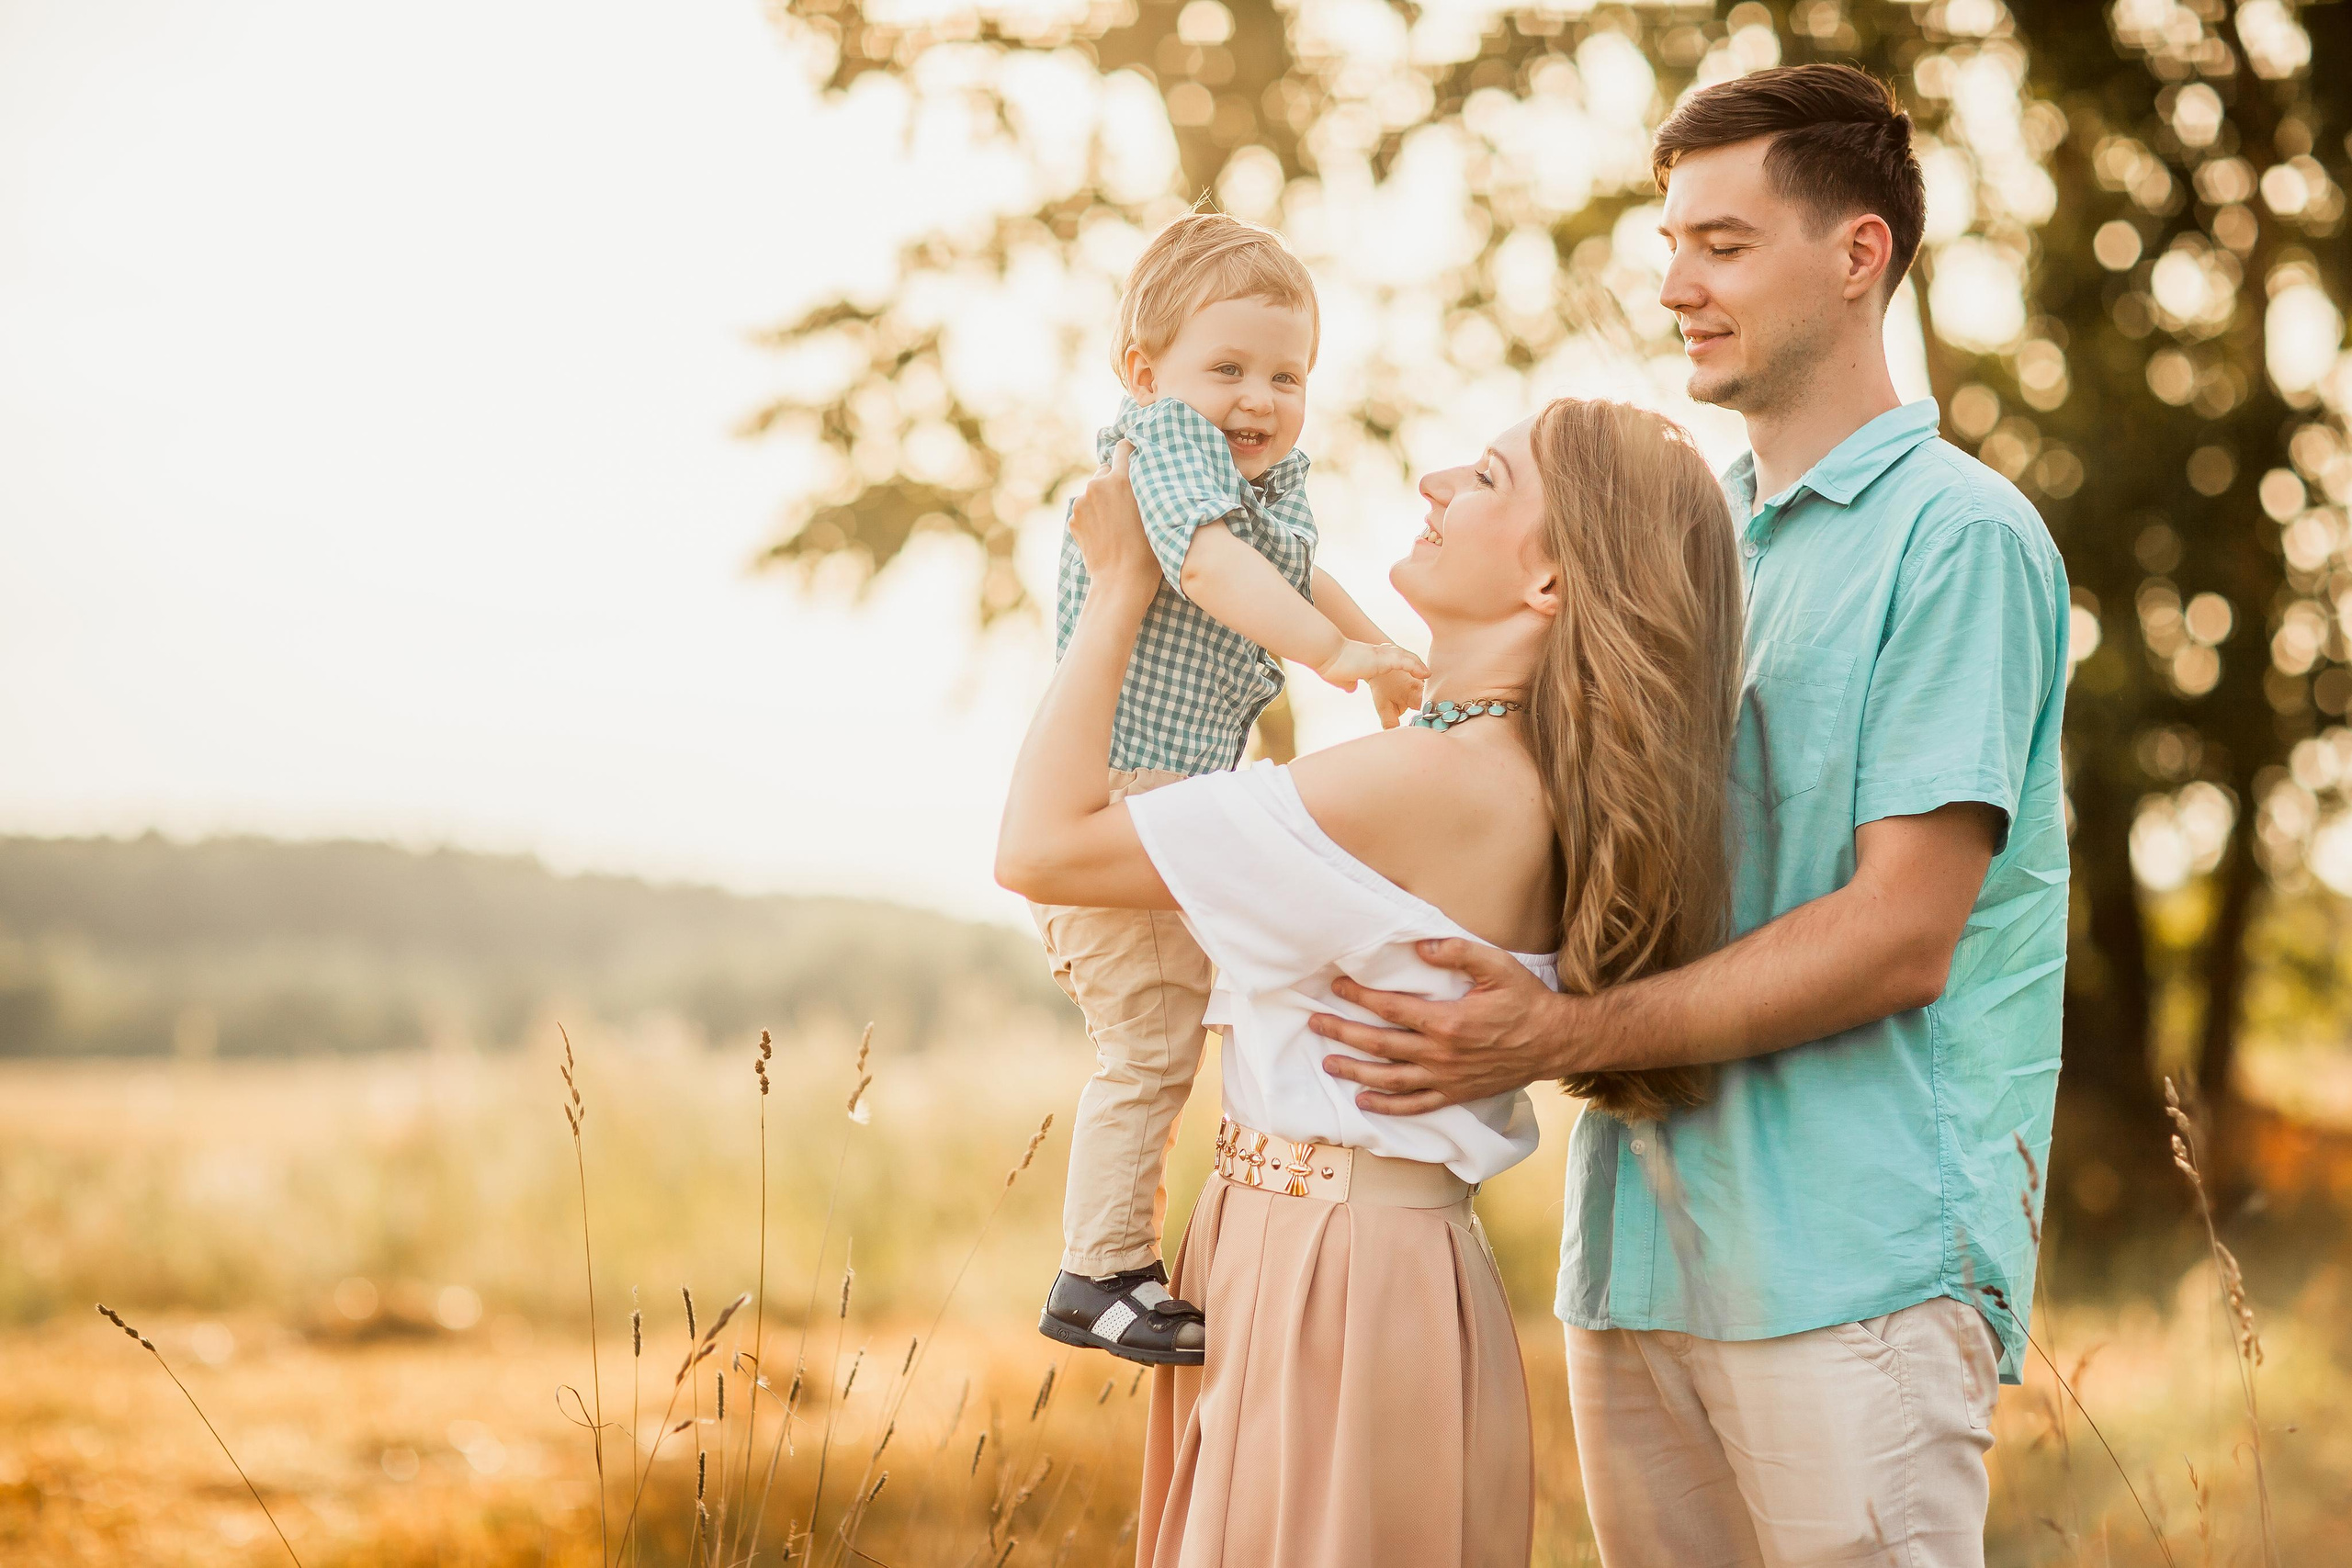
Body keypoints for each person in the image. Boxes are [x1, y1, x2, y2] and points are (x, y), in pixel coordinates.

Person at [1311, 64, 2072, 1568]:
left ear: (1858, 257)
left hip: (1851, 1275)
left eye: (1721, 245)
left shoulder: (1960, 539)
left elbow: (1897, 935)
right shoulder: (1696, 541)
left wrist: (1546, 1041)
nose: (1675, 285)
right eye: (1671, 245)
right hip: (1640, 1265)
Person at [997, 395, 1743, 1567]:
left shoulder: (1419, 784)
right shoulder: (1497, 769)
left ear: (1548, 584)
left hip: (1331, 1275)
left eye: (1487, 479)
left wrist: (1122, 586)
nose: (1435, 482)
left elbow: (1037, 848)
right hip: (1318, 1253)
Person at [1026, 212, 1428, 1368]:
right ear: (1147, 375)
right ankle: (1098, 1272)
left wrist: (1384, 655)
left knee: (1190, 1027)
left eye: (1286, 374)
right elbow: (1209, 567)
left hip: (1174, 795)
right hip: (1124, 792)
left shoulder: (1251, 476)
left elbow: (1300, 567)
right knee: (1147, 1050)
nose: (1259, 399)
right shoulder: (1166, 453)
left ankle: (1161, 1247)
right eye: (1229, 370)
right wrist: (1333, 657)